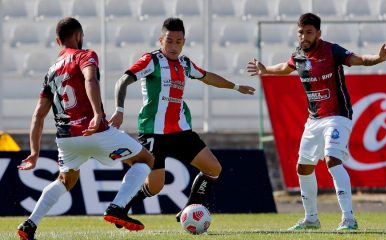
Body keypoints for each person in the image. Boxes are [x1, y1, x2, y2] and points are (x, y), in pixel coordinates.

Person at [247, 13, 386, 231]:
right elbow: (285, 68)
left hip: (337, 115)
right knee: (303, 168)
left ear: (318, 33)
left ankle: (348, 219)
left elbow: (359, 59)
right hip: (314, 119)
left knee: (332, 160)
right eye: (301, 33)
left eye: (308, 32)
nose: (304, 37)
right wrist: (265, 69)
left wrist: (378, 58)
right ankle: (311, 219)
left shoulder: (331, 51)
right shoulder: (298, 56)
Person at [16, 17, 154, 240]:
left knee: (65, 181)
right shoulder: (85, 55)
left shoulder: (51, 72)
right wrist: (98, 114)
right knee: (145, 160)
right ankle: (117, 207)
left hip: (66, 140)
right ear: (79, 36)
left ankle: (30, 223)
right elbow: (90, 80)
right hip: (95, 131)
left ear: (57, 40)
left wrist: (34, 153)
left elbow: (38, 115)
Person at [108, 17, 255, 226]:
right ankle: (122, 208)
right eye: (169, 40)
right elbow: (123, 80)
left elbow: (206, 76)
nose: (174, 46)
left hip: (181, 132)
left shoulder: (185, 63)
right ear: (161, 40)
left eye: (178, 41)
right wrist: (119, 110)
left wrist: (235, 87)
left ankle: (189, 208)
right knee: (156, 186)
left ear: (183, 42)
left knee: (214, 168)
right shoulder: (152, 60)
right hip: (153, 132)